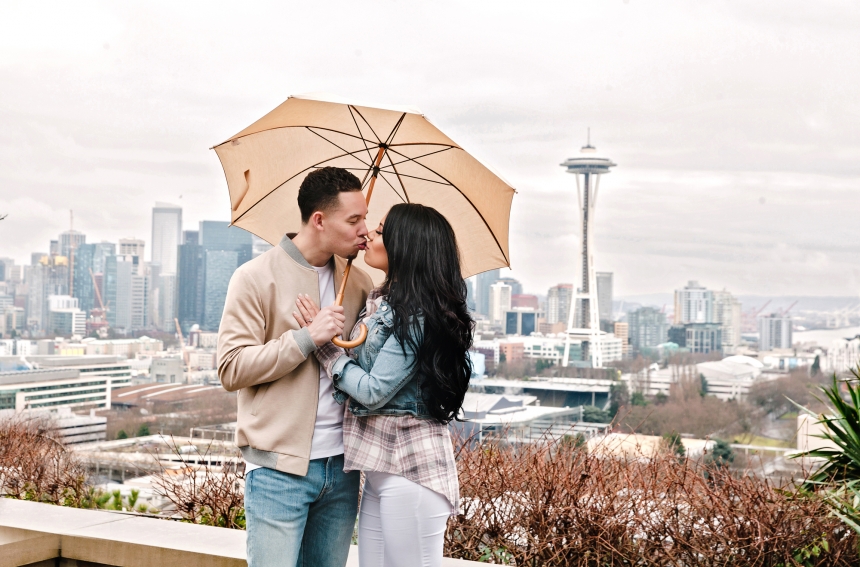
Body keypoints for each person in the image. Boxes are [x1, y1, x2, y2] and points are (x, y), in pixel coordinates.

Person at [294, 203, 474, 567]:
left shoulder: (419, 315)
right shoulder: (383, 303)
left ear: (403, 246)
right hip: (379, 471)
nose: (368, 236)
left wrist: (325, 347)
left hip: (411, 473)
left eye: (379, 231)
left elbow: (373, 391)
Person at [217, 166, 374, 567]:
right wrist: (307, 337)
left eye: (366, 220)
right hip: (277, 472)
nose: (365, 231)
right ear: (319, 220)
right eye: (354, 220)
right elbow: (231, 368)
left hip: (342, 470)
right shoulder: (255, 277)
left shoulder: (358, 285)